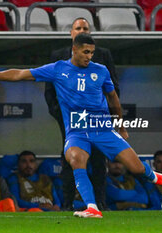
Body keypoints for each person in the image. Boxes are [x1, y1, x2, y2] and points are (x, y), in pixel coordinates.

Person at [0, 33, 162, 218]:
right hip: (76, 132)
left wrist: (120, 126)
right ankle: (92, 208)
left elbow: (113, 98)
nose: (89, 56)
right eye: (86, 52)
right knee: (77, 160)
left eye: (92, 53)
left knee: (137, 168)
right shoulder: (58, 69)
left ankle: (154, 176)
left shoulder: (101, 71)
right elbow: (20, 74)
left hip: (102, 129)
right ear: (74, 49)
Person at [45, 17, 119, 210]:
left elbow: (114, 89)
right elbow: (49, 92)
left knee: (98, 159)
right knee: (70, 159)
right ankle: (67, 203)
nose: (81, 30)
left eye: (85, 28)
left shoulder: (103, 55)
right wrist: (62, 116)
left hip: (97, 119)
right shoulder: (58, 56)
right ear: (71, 33)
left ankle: (99, 203)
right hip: (70, 120)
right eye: (78, 28)